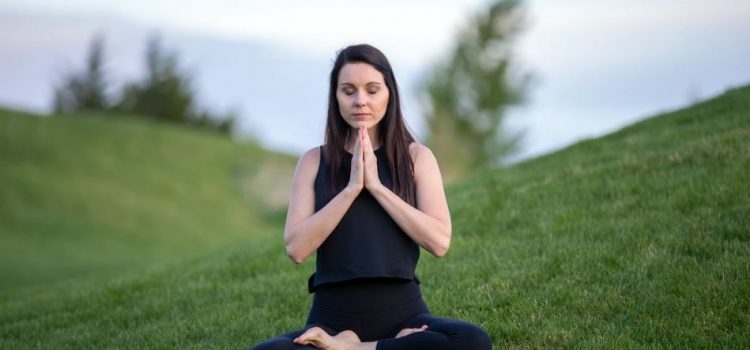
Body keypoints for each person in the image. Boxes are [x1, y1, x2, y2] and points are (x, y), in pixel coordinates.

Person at [251, 44, 492, 350]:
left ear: (389, 94)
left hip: (405, 315)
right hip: (331, 320)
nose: (360, 100)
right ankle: (366, 344)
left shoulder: (417, 157)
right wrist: (352, 188)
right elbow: (296, 248)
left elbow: (440, 242)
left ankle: (353, 348)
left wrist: (377, 186)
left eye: (372, 89)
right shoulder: (313, 162)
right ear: (335, 97)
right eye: (348, 90)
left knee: (471, 340)